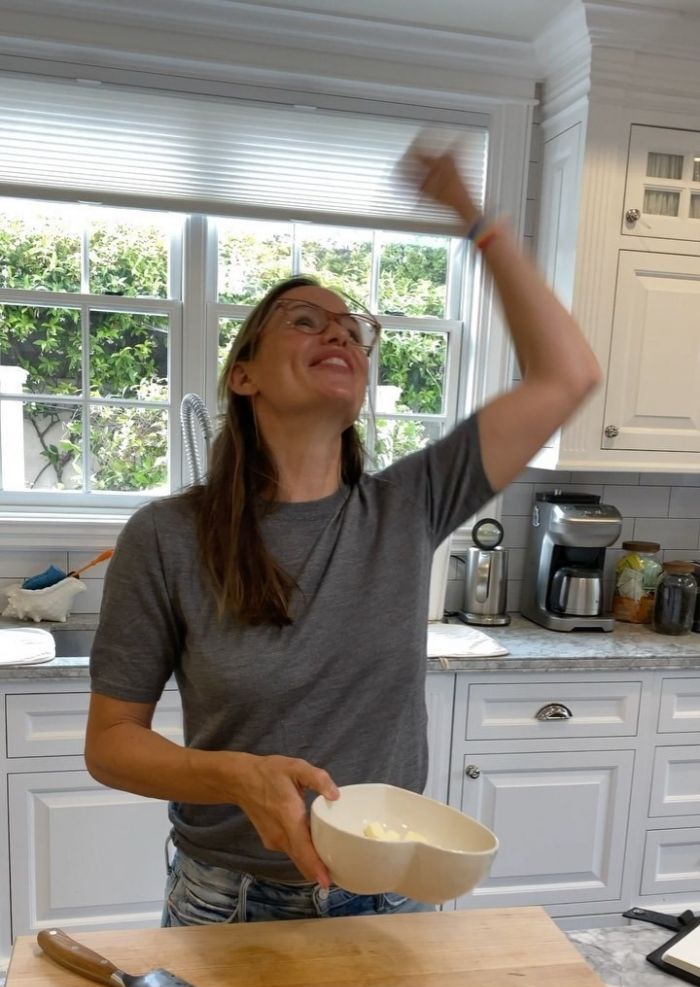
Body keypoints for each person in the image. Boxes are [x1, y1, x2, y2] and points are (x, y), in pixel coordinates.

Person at [85, 146, 602, 926]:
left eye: (353, 328)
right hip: (231, 900)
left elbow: (566, 374)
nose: (341, 333)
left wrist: (478, 220)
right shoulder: (168, 537)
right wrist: (236, 777)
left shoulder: (412, 503)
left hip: (393, 890)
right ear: (244, 375)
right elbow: (111, 743)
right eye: (305, 320)